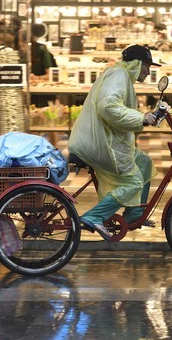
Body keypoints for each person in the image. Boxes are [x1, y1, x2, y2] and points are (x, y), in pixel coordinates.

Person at [68, 45, 160, 240]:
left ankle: (135, 214)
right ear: (136, 64)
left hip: (102, 140)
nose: (148, 71)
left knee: (143, 162)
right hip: (99, 143)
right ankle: (94, 216)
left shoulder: (121, 77)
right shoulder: (119, 75)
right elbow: (108, 107)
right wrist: (140, 118)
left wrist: (143, 117)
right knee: (134, 182)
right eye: (146, 66)